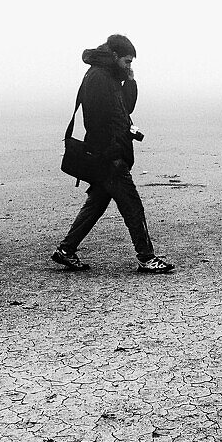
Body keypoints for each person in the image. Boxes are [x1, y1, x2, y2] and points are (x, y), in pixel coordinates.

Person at [52, 33, 174, 273]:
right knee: (132, 206)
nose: (130, 66)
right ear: (115, 56)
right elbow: (97, 122)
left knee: (96, 204)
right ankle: (147, 258)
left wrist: (130, 80)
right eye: (127, 62)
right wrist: (113, 153)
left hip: (107, 155)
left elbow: (124, 108)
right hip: (109, 158)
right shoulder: (99, 78)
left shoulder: (107, 76)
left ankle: (66, 250)